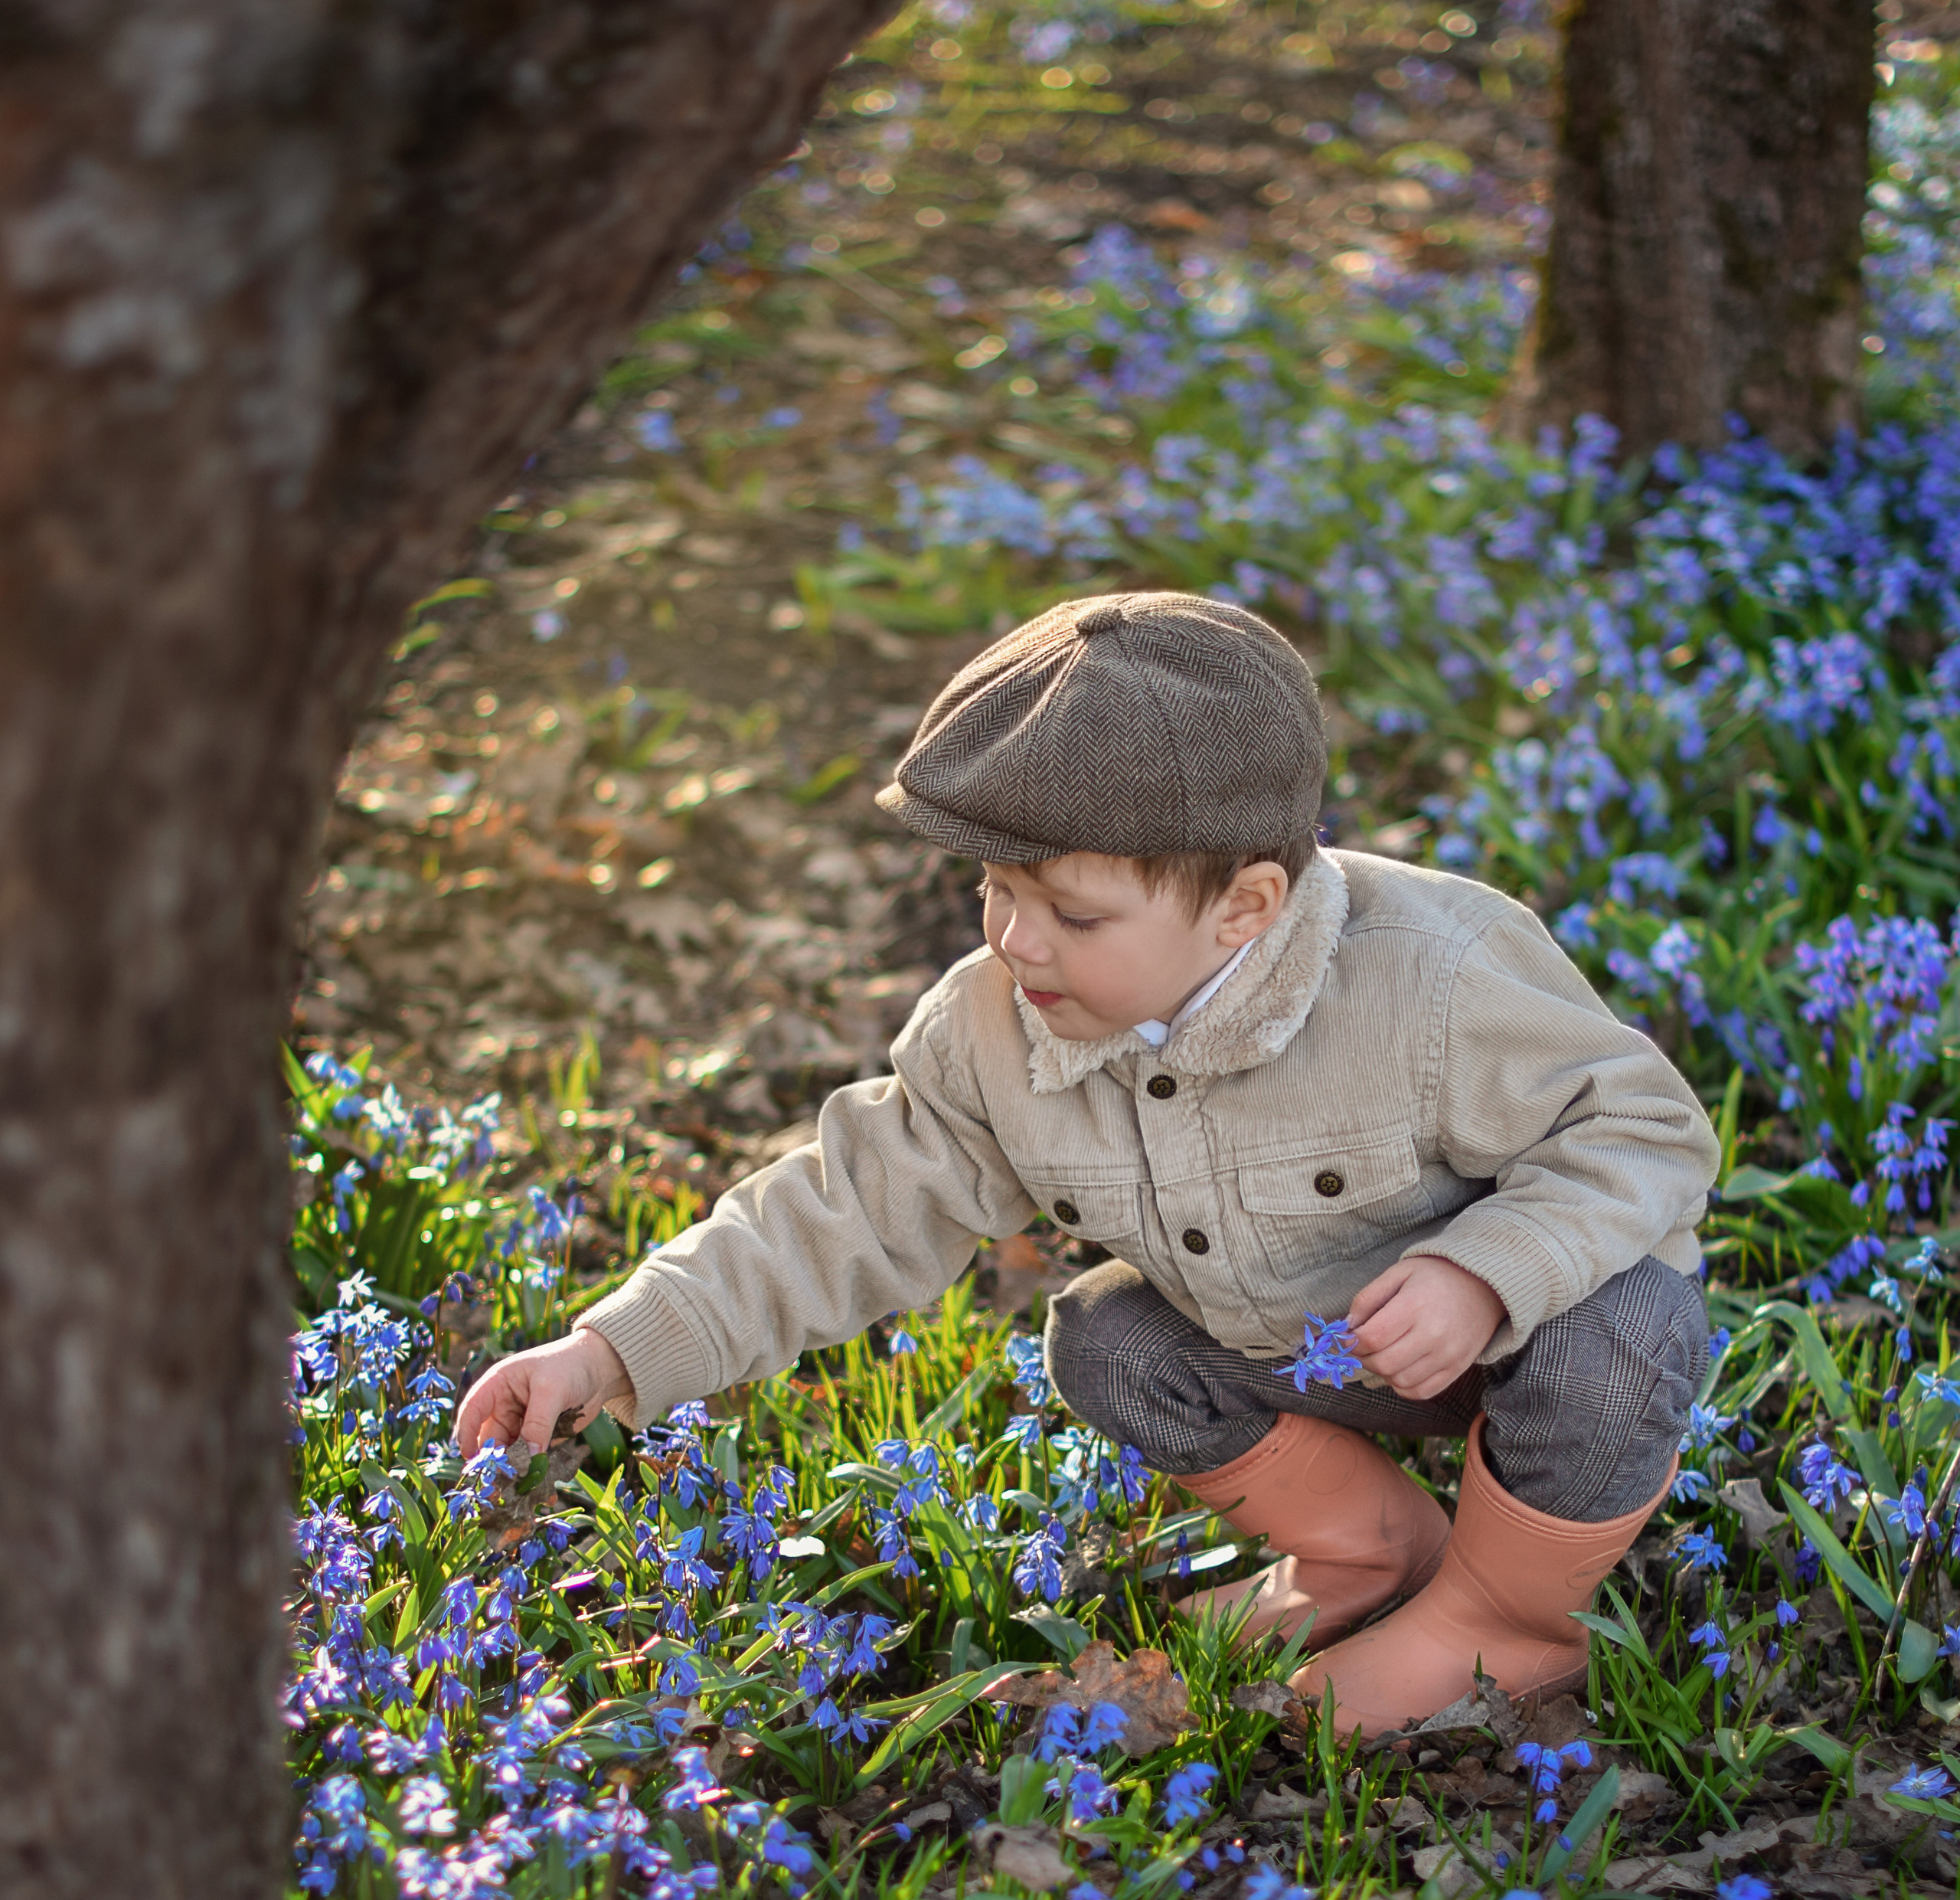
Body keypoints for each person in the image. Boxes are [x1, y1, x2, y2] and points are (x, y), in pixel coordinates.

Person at [456, 592, 1717, 1735]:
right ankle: (1367, 1549)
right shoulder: (996, 1029)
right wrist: (615, 1348)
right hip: (1319, 1350)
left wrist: (1485, 1276)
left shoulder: (1430, 984)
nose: (1016, 941)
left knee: (1624, 1329)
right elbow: (848, 1204)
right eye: (998, 891)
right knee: (1110, 1342)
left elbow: (1643, 1131)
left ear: (1246, 908)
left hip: (1523, 1340)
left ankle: (1505, 1621)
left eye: (1074, 915)